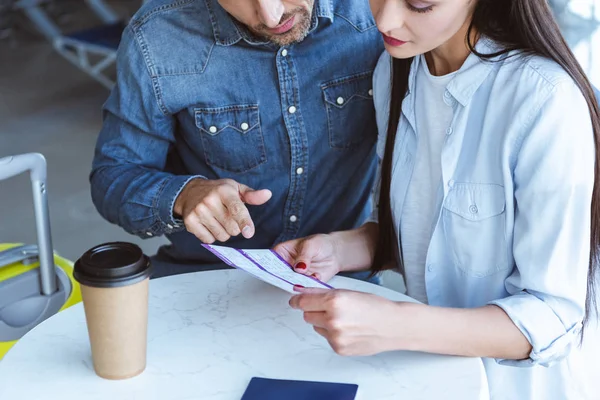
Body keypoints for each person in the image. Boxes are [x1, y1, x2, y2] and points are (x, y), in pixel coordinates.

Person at [274, 0, 600, 398]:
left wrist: (396, 324)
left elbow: (554, 317)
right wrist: (339, 250)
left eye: (420, 4)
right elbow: (424, 236)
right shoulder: (394, 71)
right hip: (429, 379)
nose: (385, 19)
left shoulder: (545, 100)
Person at [90, 0, 384, 279]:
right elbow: (113, 177)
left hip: (343, 278)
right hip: (207, 277)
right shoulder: (157, 34)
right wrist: (183, 195)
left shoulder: (382, 13)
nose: (272, 16)